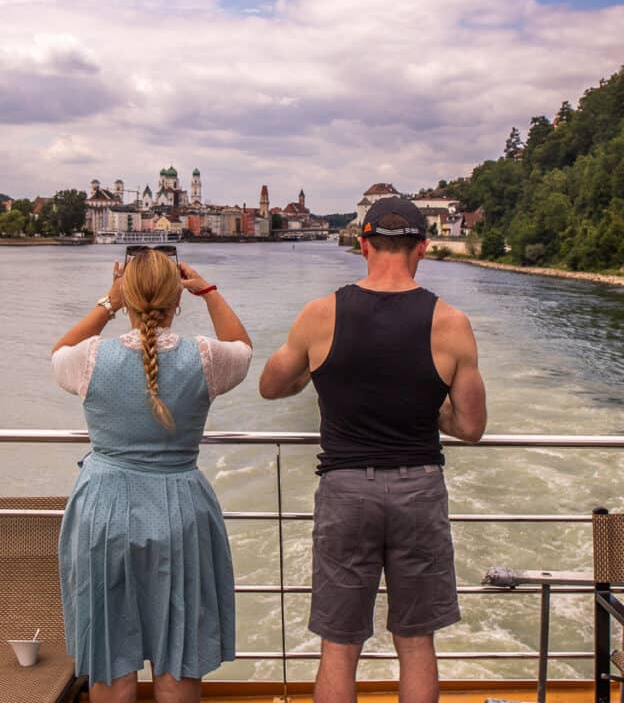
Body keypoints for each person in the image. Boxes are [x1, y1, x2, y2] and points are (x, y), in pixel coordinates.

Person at [259, 197, 487, 703]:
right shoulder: (451, 322)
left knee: (339, 646)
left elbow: (272, 386)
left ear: (363, 245)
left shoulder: (321, 313)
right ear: (422, 249)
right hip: (419, 489)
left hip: (345, 490)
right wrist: (428, 409)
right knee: (416, 641)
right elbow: (471, 426)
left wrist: (317, 375)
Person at [52, 247, 252, 703]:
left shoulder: (88, 360)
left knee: (110, 657)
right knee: (179, 654)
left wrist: (109, 302)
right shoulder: (204, 358)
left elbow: (58, 351)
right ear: (177, 300)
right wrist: (209, 291)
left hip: (103, 511)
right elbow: (242, 348)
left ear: (127, 294)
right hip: (179, 509)